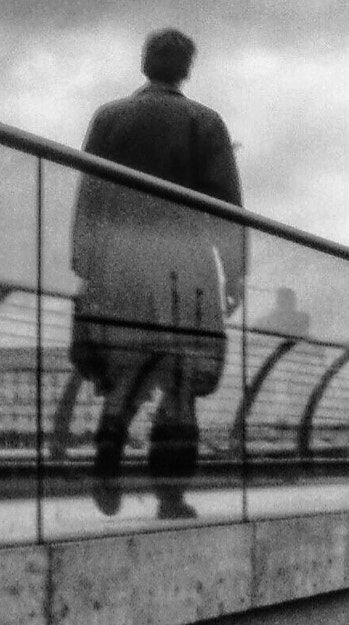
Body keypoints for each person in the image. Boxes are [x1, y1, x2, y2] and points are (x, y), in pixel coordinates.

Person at [70, 28, 246, 520]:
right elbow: (226, 205)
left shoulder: (108, 118)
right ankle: (170, 494)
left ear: (144, 64)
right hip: (183, 264)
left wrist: (85, 259)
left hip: (118, 262)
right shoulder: (204, 123)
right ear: (186, 69)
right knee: (181, 381)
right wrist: (234, 272)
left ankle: (108, 449)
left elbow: (91, 190)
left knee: (126, 367)